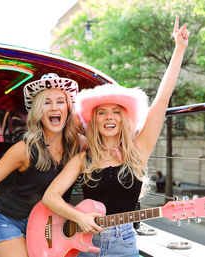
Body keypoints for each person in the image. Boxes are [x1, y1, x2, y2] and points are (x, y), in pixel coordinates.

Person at [43, 17, 190, 256]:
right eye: (102, 112)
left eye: (115, 112)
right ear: (94, 119)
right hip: (84, 245)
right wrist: (78, 216)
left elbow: (162, 100)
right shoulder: (83, 158)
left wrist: (179, 50)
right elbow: (50, 197)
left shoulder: (138, 150)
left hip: (124, 245)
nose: (109, 117)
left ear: (124, 118)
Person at [0, 73, 85, 257]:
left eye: (60, 101)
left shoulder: (79, 144)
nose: (54, 107)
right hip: (7, 221)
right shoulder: (24, 149)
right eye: (46, 102)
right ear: (38, 111)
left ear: (68, 108)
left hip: (47, 226)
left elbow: (108, 150)